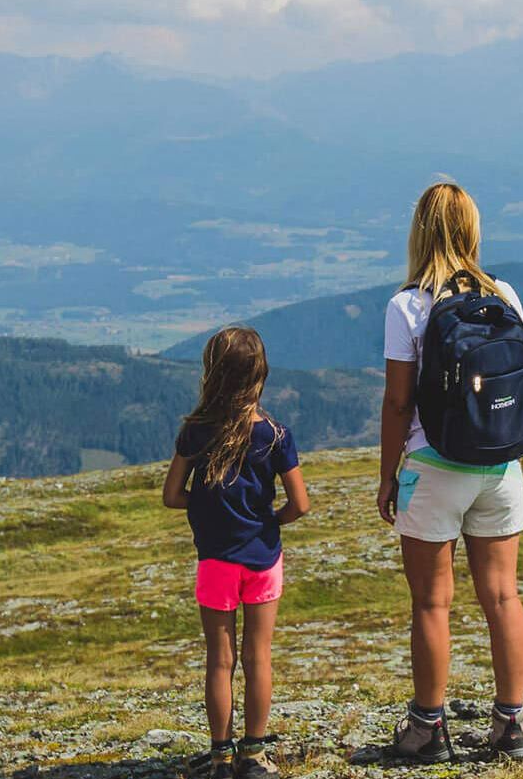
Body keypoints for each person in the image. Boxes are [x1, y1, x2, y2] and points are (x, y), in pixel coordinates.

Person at [360, 182, 523, 765]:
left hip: (434, 467)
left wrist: (388, 476)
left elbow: (397, 403)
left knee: (433, 604)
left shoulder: (407, 305)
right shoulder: (503, 293)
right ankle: (510, 724)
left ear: (420, 231)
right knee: (503, 597)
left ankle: (426, 729)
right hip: (500, 464)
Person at [162, 326, 311, 779]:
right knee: (258, 658)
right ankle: (254, 755)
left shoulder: (195, 432)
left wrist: (209, 510)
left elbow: (172, 495)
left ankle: (221, 755)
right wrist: (267, 521)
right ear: (260, 374)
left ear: (212, 373)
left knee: (219, 660)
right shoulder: (275, 435)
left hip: (215, 559)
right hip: (263, 557)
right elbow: (300, 504)